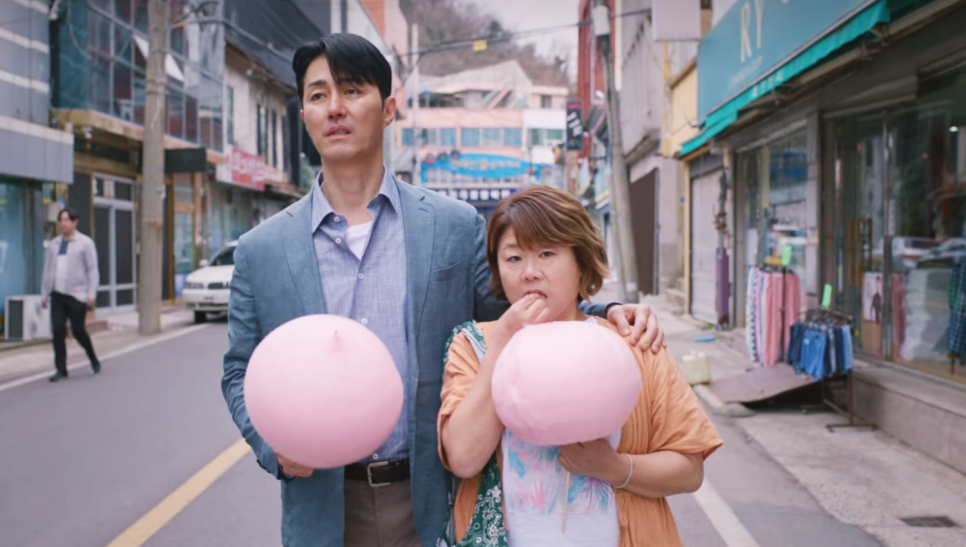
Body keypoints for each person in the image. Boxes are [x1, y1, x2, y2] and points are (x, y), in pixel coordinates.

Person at [221, 33, 666, 547]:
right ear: (304, 115)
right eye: (319, 95)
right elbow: (239, 369)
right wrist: (271, 446)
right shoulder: (261, 249)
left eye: (352, 90)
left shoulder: (454, 225)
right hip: (322, 504)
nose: (335, 107)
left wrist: (606, 312)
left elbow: (514, 312)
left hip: (432, 497)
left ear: (389, 110)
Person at [438, 186, 723, 547]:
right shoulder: (473, 346)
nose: (529, 272)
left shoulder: (634, 343)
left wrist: (615, 468)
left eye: (547, 253)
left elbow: (689, 470)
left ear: (581, 261)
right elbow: (464, 459)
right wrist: (502, 344)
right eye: (514, 258)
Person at [41, 208, 101, 382]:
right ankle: (61, 369)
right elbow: (47, 270)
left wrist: (91, 293)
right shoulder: (54, 244)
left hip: (77, 294)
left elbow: (92, 270)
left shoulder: (85, 243)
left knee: (78, 331)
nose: (64, 224)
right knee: (57, 329)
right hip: (57, 294)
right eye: (61, 220)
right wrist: (44, 294)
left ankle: (93, 359)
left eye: (67, 220)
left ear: (75, 222)